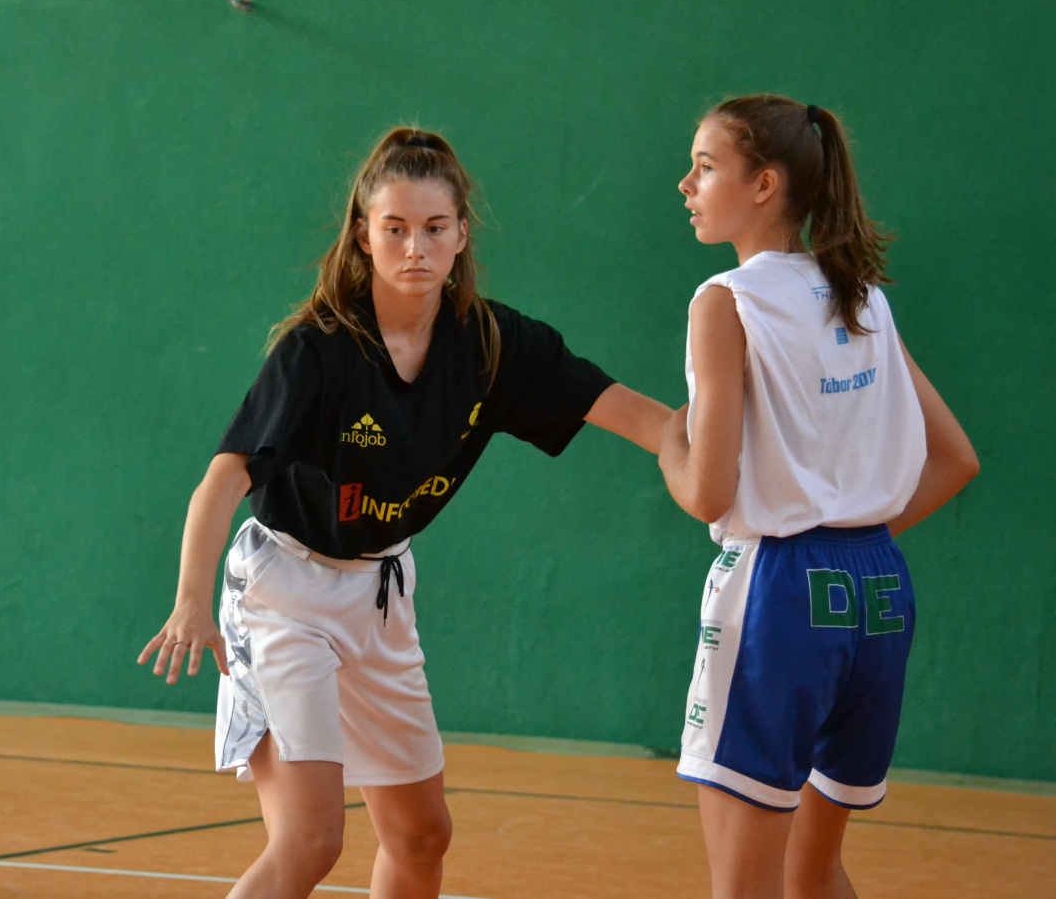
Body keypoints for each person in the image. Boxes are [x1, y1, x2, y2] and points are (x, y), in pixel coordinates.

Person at [138, 126, 670, 899]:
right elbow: (223, 479)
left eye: (434, 227)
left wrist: (723, 454)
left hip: (381, 592)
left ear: (461, 235)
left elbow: (642, 418)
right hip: (285, 593)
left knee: (421, 837)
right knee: (310, 842)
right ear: (363, 235)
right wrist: (191, 598)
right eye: (394, 229)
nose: (415, 247)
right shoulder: (317, 350)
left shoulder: (494, 345)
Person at [659, 95, 979, 898]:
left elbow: (707, 492)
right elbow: (956, 460)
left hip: (778, 594)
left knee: (747, 888)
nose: (686, 184)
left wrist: (670, 443)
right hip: (878, 594)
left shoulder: (725, 300)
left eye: (705, 166)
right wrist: (848, 533)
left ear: (764, 184)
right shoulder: (861, 296)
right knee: (814, 873)